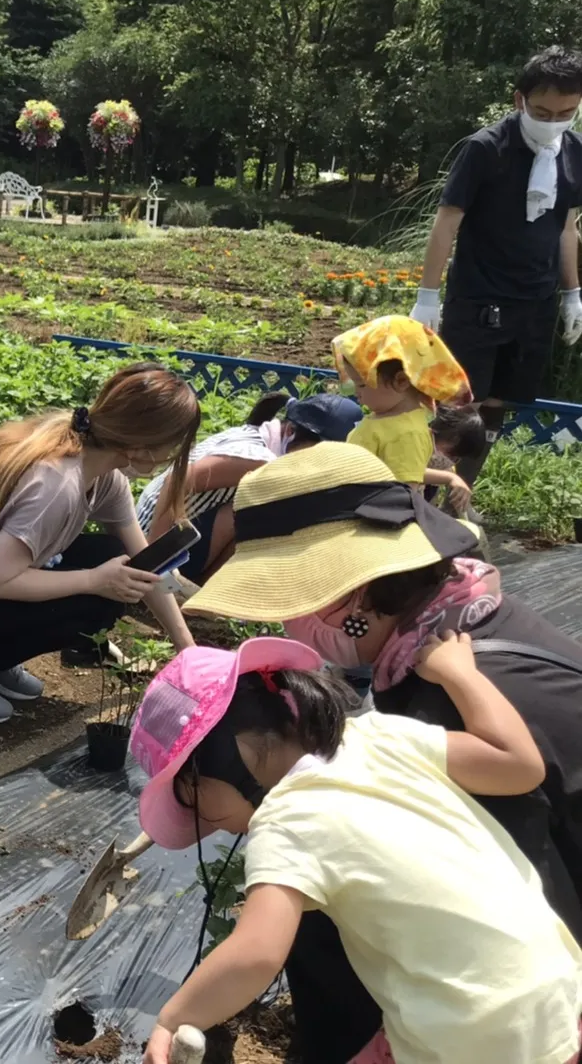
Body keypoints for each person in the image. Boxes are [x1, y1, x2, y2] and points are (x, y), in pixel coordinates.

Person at [184, 441, 582, 1062]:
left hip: (528, 1005)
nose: (290, 624)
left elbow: (515, 896)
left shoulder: (442, 698)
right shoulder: (462, 636)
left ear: (357, 598)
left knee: (320, 909)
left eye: (297, 603)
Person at [132, 636, 582, 1064]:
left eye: (192, 803)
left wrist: (174, 1018)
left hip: (469, 1036)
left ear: (228, 762)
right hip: (556, 992)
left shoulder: (285, 821)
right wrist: (459, 674)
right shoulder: (380, 736)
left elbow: (255, 955)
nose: (208, 829)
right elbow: (517, 764)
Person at [0, 362, 200, 724]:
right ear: (140, 447)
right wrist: (95, 580)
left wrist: (188, 650)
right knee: (96, 596)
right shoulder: (56, 483)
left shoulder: (102, 476)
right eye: (172, 445)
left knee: (116, 562)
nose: (172, 455)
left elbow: (145, 563)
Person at [409, 45, 582, 485]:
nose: (553, 121)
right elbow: (447, 221)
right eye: (542, 111)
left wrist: (572, 293)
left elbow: (566, 228)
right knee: (458, 405)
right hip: (480, 297)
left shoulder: (574, 153)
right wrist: (427, 297)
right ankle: (422, 496)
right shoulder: (487, 149)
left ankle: (463, 493)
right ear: (518, 99)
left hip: (534, 302)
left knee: (497, 405)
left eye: (566, 112)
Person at [137, 391, 363, 583]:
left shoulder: (261, 436)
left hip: (170, 534)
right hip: (154, 539)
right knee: (268, 515)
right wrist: (153, 562)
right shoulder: (259, 457)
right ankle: (208, 592)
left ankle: (203, 591)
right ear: (291, 432)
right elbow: (177, 480)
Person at [332, 315, 474, 511]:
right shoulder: (390, 419)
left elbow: (404, 494)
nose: (356, 392)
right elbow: (406, 469)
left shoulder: (406, 433)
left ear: (401, 381)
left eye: (362, 384)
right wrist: (448, 477)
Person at [426, 404, 488, 512]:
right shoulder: (412, 443)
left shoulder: (443, 470)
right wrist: (449, 478)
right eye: (450, 454)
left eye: (456, 458)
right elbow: (407, 472)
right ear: (434, 433)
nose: (449, 461)